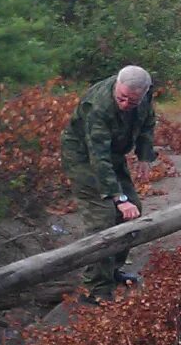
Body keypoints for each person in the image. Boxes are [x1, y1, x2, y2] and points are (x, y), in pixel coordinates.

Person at [60, 65, 158, 301]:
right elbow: (98, 158)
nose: (125, 104)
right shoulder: (98, 106)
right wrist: (119, 198)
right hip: (83, 157)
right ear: (116, 87)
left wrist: (144, 156)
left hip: (113, 154)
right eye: (121, 98)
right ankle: (96, 289)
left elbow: (147, 123)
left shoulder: (143, 97)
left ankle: (112, 270)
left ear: (143, 94)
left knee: (134, 211)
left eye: (131, 102)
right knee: (103, 218)